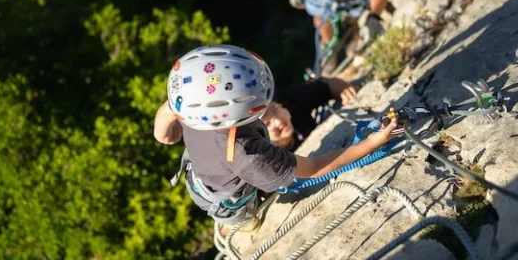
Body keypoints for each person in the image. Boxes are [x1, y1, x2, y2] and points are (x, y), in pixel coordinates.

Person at [153, 45, 397, 230]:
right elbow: (314, 168)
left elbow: (165, 137)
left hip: (203, 172)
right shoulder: (249, 154)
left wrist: (175, 130)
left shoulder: (187, 103)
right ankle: (244, 226)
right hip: (231, 201)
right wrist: (373, 143)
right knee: (249, 223)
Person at [262, 77, 357, 151]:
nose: (278, 122)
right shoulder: (267, 163)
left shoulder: (293, 103)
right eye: (267, 124)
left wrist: (345, 92)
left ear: (281, 105)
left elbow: (327, 85)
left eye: (276, 111)